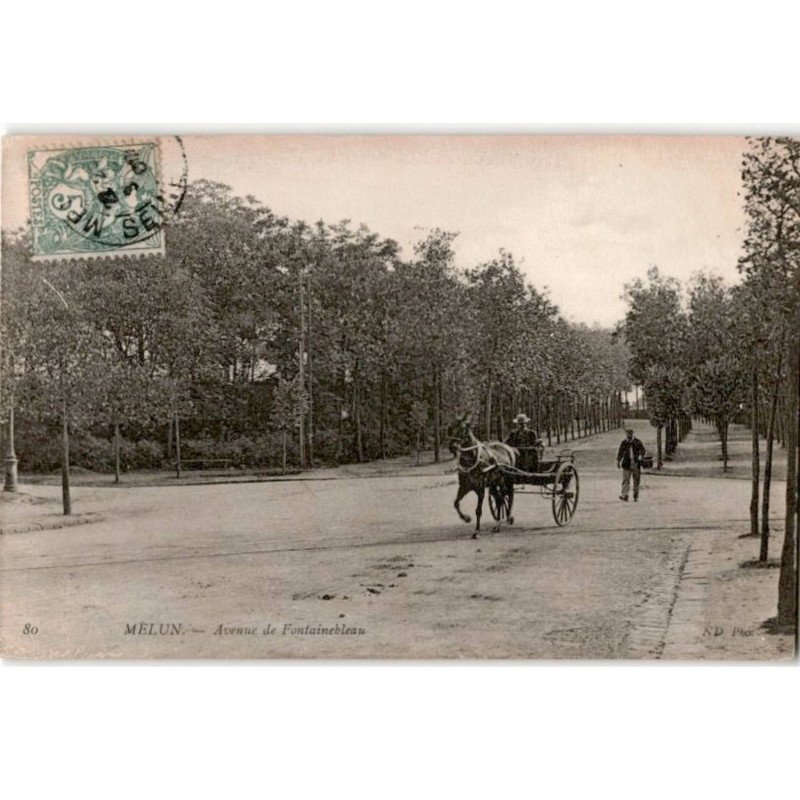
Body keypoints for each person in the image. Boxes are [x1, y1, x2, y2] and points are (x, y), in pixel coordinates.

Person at [616, 426, 646, 502]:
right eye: (627, 433)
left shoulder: (637, 442)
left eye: (630, 433)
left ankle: (635, 496)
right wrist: (618, 461)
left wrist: (640, 455)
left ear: (632, 434)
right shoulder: (624, 443)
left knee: (636, 480)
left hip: (636, 463)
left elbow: (643, 450)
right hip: (626, 463)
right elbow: (620, 452)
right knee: (626, 479)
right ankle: (625, 495)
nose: (628, 435)